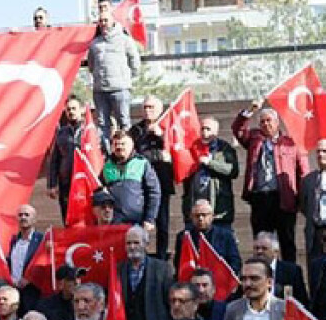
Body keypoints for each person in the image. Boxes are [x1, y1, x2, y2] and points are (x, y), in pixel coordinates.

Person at [232, 105, 308, 263]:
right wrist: (248, 111)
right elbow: (238, 129)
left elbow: (303, 173)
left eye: (269, 120)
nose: (266, 124)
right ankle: (261, 274)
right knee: (261, 242)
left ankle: (289, 280)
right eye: (262, 122)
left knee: (287, 242)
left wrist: (302, 200)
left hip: (284, 199)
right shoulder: (254, 139)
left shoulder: (291, 143)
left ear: (277, 122)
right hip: (260, 198)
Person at [87, 0, 140, 141]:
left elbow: (134, 59)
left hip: (120, 88)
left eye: (106, 20)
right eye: (101, 21)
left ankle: (127, 151)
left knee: (124, 122)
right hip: (100, 90)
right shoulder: (94, 43)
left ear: (112, 20)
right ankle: (106, 153)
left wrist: (130, 77)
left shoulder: (124, 39)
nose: (103, 24)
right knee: (103, 124)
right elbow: (91, 65)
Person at [129, 96, 175, 257]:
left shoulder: (169, 127)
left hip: (162, 182)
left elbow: (176, 150)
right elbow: (133, 154)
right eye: (145, 107)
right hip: (141, 184)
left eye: (151, 107)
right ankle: (141, 254)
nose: (148, 111)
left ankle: (162, 256)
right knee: (142, 222)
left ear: (160, 109)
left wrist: (161, 135)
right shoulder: (136, 131)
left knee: (162, 223)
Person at [179, 117, 239, 227]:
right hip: (194, 208)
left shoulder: (224, 148)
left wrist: (210, 163)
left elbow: (233, 171)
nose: (204, 132)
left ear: (216, 132)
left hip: (219, 209)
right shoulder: (191, 148)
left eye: (208, 129)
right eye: (202, 129)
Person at [101, 130, 161, 231]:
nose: (119, 147)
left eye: (123, 144)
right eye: (116, 144)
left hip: (136, 223)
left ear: (131, 145)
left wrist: (150, 218)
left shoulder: (142, 163)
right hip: (112, 224)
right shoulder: (106, 166)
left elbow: (154, 192)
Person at [45, 97, 88, 219]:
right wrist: (51, 185)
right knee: (68, 216)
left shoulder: (91, 131)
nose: (71, 112)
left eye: (74, 108)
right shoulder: (61, 133)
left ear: (82, 110)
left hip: (85, 184)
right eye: (68, 109)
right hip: (66, 184)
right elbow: (54, 160)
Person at [174, 199, 241, 276]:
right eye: (197, 215)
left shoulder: (226, 235)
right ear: (191, 217)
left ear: (212, 216)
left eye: (204, 215)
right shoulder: (183, 236)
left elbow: (235, 262)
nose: (200, 219)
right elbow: (179, 263)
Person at [6, 204, 45, 310]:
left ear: (34, 219)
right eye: (20, 215)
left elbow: (44, 264)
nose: (23, 217)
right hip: (14, 292)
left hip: (33, 292)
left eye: (27, 215)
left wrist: (30, 279)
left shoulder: (42, 240)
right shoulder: (14, 241)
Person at [251, 231, 308, 305]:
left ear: (275, 252)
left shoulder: (292, 271)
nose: (259, 251)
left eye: (264, 248)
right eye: (256, 248)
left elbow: (302, 302)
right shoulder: (248, 271)